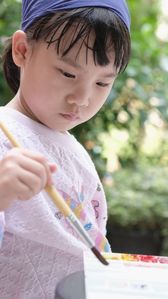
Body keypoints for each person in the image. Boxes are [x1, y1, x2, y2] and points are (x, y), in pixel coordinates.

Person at [0, 0, 131, 298]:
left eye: (102, 82)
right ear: (22, 50)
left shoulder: (66, 142)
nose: (82, 98)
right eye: (68, 74)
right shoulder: (4, 132)